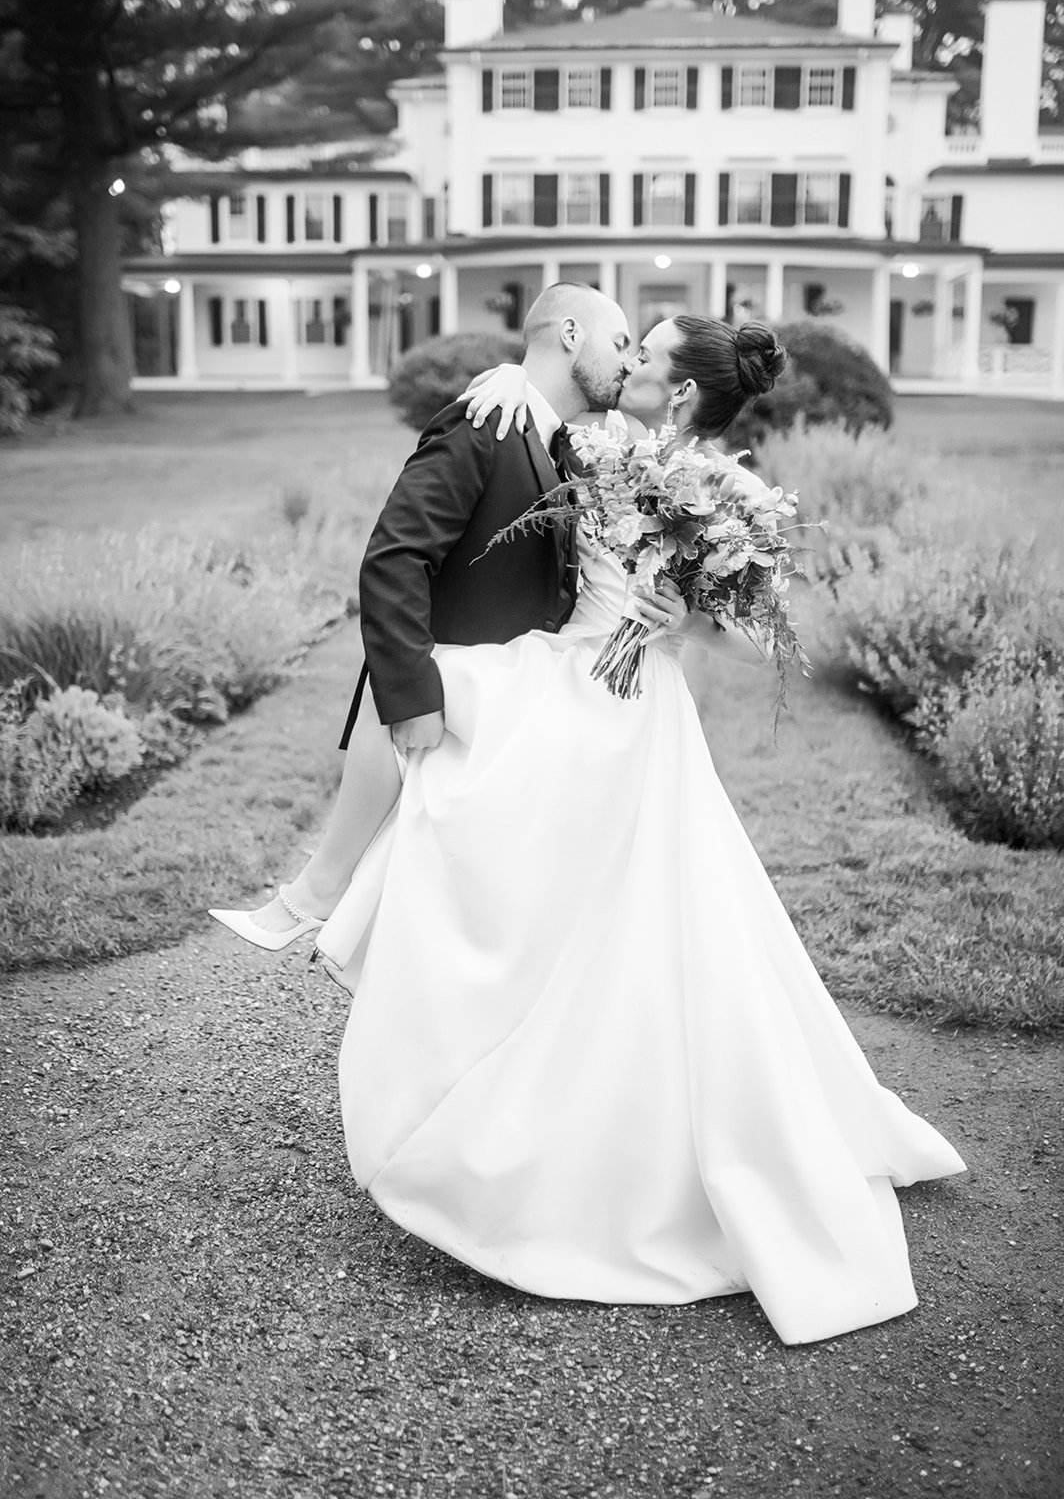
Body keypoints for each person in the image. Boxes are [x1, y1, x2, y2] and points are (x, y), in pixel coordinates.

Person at [315, 311, 966, 1348]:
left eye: (642, 351)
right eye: (624, 343)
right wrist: (498, 375)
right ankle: (361, 919)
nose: (625, 360)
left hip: (617, 703)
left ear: (677, 387)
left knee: (604, 901)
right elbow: (530, 403)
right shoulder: (611, 447)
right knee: (539, 864)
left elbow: (747, 621)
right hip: (575, 676)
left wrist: (687, 622)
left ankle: (547, 1112)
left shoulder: (707, 483)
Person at [209, 282, 677, 949]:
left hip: (547, 685)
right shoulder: (481, 426)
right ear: (571, 334)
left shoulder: (568, 447)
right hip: (478, 684)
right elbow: (394, 558)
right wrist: (410, 695)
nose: (629, 361)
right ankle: (322, 905)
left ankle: (329, 912)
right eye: (620, 341)